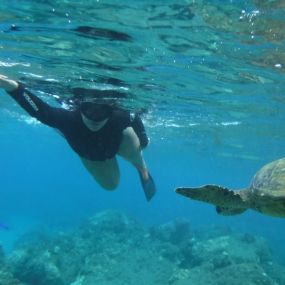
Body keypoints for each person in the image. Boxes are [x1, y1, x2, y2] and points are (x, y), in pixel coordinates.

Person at [0, 74, 156, 201]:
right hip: (90, 152)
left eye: (103, 111)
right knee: (111, 185)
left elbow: (134, 118)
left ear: (111, 109)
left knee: (133, 144)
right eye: (88, 109)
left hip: (118, 139)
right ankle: (65, 133)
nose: (95, 118)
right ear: (80, 105)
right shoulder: (67, 118)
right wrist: (12, 86)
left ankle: (142, 168)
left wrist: (143, 139)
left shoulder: (120, 117)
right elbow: (39, 110)